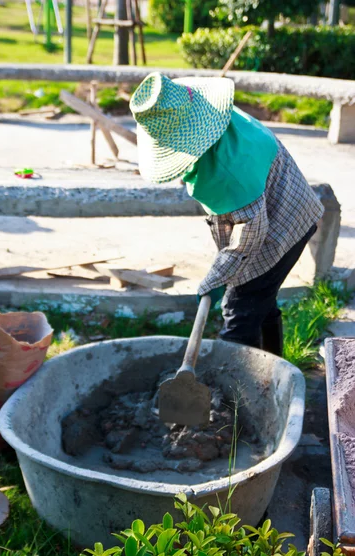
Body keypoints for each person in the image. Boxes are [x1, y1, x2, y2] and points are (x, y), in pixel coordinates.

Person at [129, 72, 324, 356]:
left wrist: (216, 279)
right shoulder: (210, 114)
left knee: (238, 313)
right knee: (262, 300)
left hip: (281, 228)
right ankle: (276, 371)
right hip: (291, 204)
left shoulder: (227, 171)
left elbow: (249, 240)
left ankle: (236, 395)